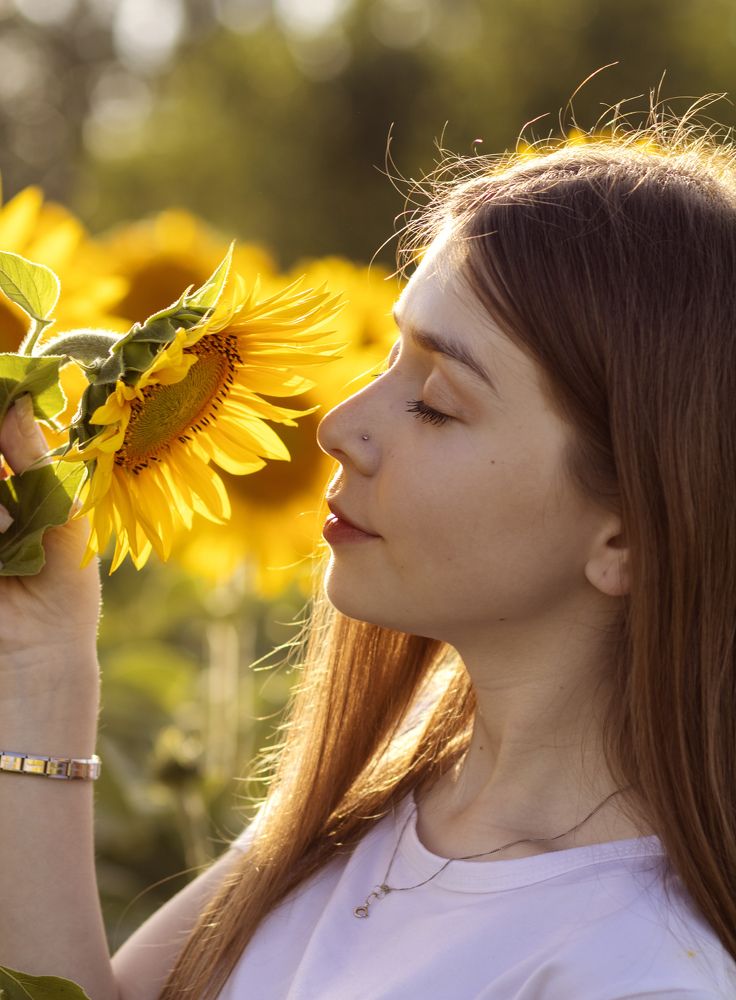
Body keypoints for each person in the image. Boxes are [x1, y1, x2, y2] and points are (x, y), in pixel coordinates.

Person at [1, 105, 736, 1000]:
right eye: (389, 355)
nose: (339, 424)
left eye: (434, 400)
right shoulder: (379, 809)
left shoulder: (633, 973)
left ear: (628, 534)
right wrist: (42, 660)